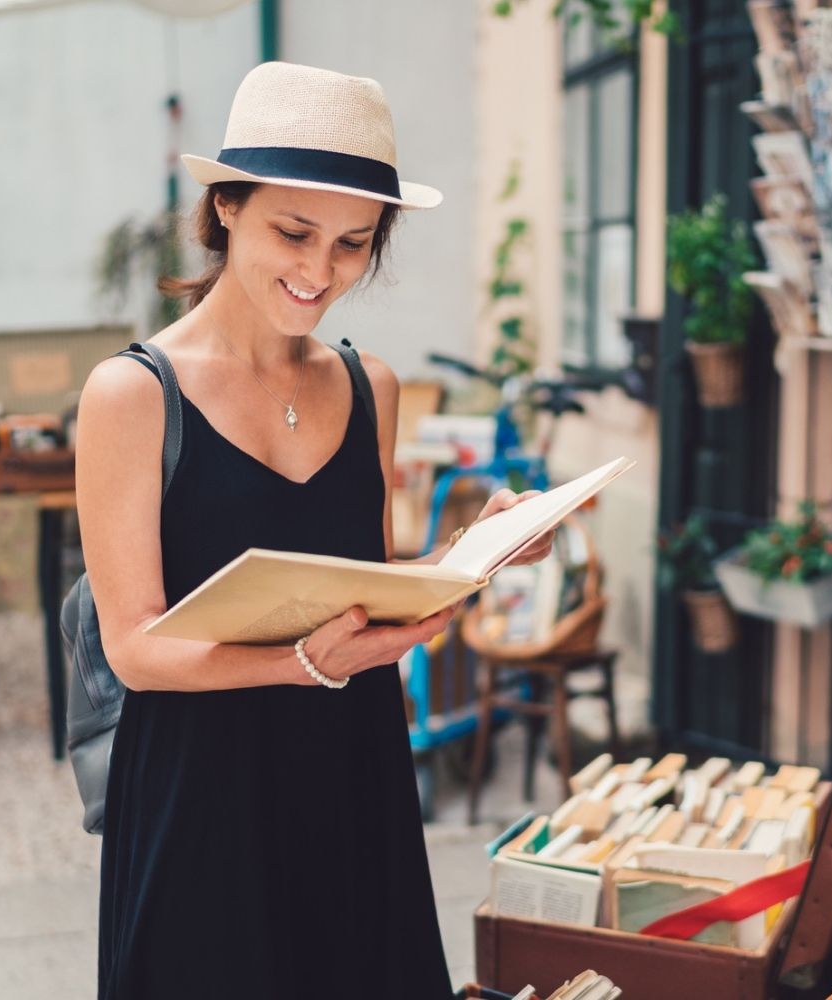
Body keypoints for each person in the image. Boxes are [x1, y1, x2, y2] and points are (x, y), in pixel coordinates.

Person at [75, 61, 552, 998]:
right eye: (293, 232)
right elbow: (134, 649)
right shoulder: (131, 395)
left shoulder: (369, 386)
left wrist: (468, 558)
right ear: (225, 209)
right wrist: (306, 664)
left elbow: (358, 586)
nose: (318, 272)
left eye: (351, 244)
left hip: (352, 772)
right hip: (203, 793)